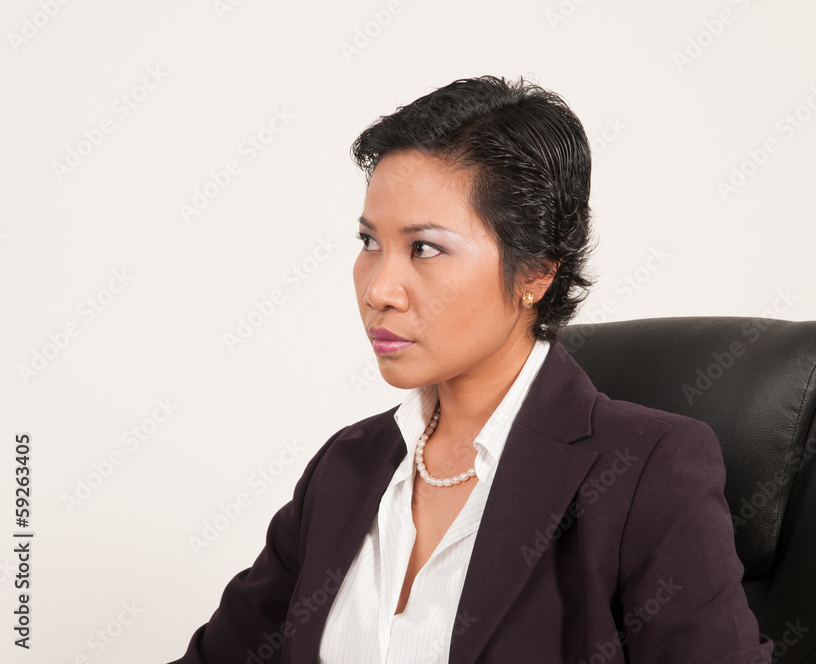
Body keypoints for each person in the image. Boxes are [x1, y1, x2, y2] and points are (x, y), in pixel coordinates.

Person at [169, 75, 774, 664]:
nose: (379, 289)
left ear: (536, 271)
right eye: (370, 242)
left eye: (425, 248)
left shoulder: (648, 470)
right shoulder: (346, 468)